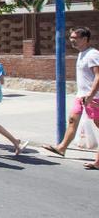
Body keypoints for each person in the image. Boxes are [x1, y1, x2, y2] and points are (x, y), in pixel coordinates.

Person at [42, 27, 99, 169]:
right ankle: (62, 148)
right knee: (72, 121)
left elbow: (98, 76)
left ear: (85, 39)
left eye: (75, 38)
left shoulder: (93, 54)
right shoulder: (82, 54)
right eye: (71, 37)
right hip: (81, 97)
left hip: (93, 98)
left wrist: (91, 95)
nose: (72, 40)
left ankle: (98, 162)